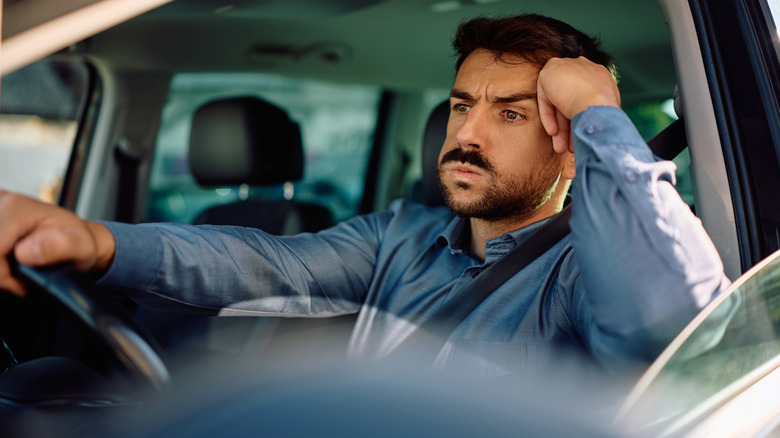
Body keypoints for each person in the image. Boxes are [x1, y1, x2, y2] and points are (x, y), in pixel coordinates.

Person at [0, 14, 729, 373]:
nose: (466, 133)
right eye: (460, 104)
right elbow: (265, 264)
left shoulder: (581, 269)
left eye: (510, 112)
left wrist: (599, 113)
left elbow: (666, 331)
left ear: (567, 142)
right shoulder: (403, 235)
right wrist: (96, 243)